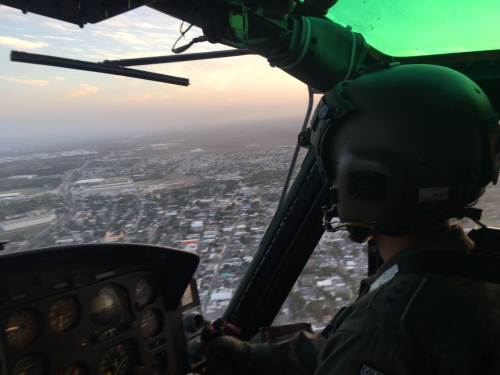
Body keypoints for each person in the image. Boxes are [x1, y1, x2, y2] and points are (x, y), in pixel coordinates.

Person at [205, 64, 500, 375]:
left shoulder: (384, 326)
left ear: (367, 179)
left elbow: (369, 342)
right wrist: (246, 357)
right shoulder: (478, 261)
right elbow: (342, 349)